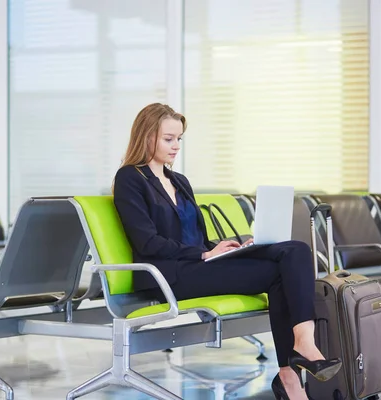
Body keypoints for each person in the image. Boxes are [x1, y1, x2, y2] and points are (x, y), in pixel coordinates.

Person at [112, 103, 341, 400]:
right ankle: (292, 370)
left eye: (179, 139)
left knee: (294, 250)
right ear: (146, 136)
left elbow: (198, 238)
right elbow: (147, 242)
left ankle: (300, 350)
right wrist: (203, 255)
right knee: (279, 275)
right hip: (170, 274)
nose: (176, 146)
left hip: (198, 264)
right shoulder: (131, 178)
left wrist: (221, 248)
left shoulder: (178, 181)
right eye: (168, 139)